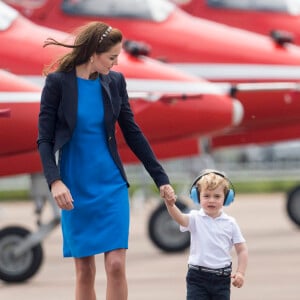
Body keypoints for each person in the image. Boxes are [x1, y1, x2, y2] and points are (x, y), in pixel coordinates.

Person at [37, 21, 176, 300]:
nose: (115, 64)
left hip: (110, 184)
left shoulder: (115, 82)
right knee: (85, 271)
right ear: (93, 53)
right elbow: (44, 140)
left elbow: (132, 133)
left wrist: (161, 178)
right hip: (74, 187)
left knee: (115, 265)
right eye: (111, 57)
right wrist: (55, 181)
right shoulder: (57, 83)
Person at [164, 169, 248, 300]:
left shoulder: (230, 223)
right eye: (206, 196)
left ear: (226, 198)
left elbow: (242, 249)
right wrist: (170, 205)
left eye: (217, 196)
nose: (211, 200)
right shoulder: (195, 218)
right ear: (197, 197)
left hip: (222, 279)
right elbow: (180, 218)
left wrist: (241, 273)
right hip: (197, 277)